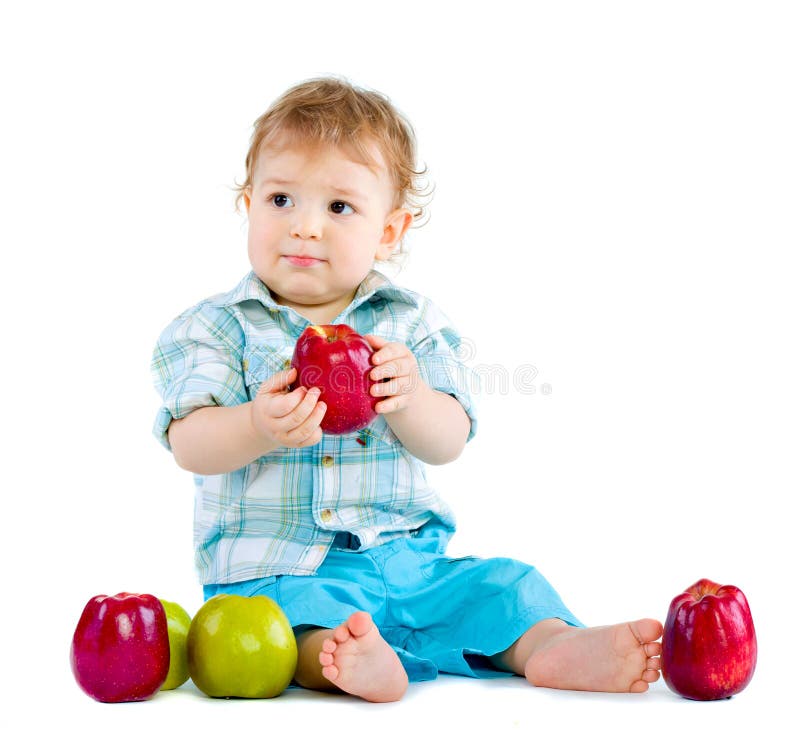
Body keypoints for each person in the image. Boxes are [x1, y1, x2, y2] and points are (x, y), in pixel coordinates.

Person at [151, 76, 662, 703]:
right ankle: (341, 660)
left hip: (410, 562)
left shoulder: (408, 323)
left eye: (338, 208)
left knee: (500, 586)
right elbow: (190, 443)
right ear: (248, 204)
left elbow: (449, 439)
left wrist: (412, 399)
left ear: (390, 231)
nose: (305, 227)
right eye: (281, 199)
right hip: (280, 568)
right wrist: (255, 426)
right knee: (293, 629)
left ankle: (549, 645)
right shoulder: (214, 328)